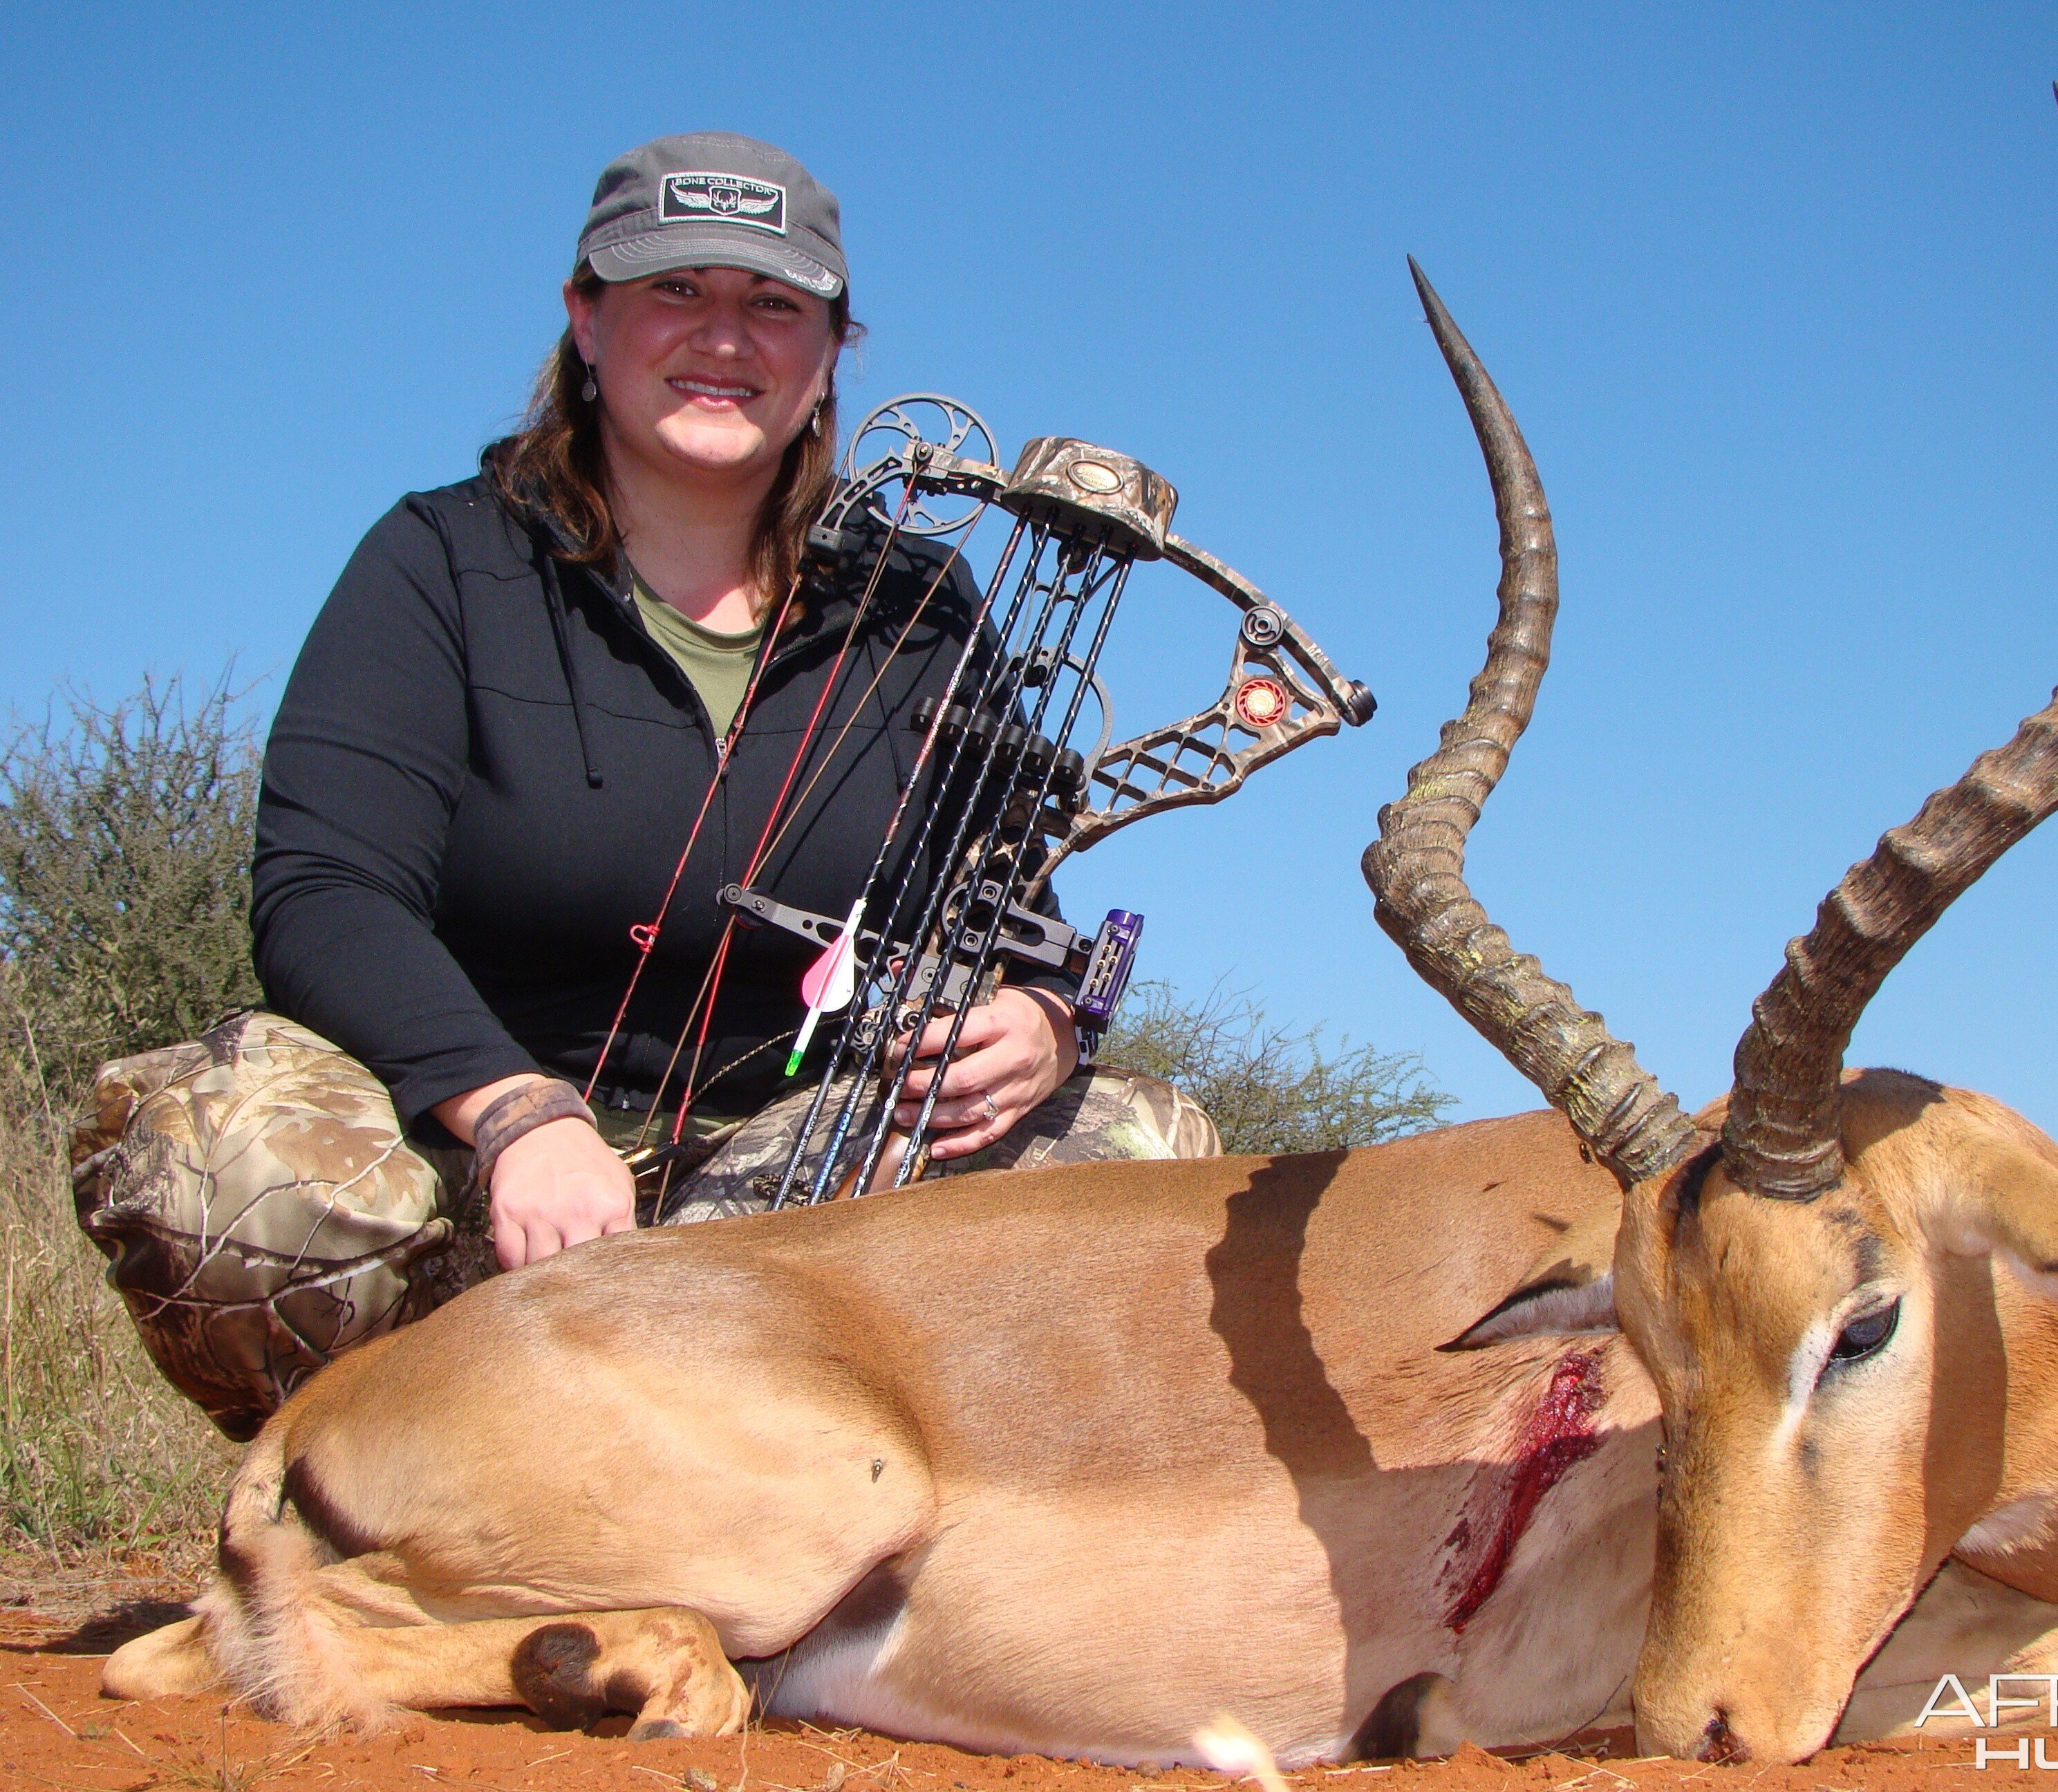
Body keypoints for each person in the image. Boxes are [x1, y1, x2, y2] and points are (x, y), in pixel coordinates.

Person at [73, 133, 1217, 1441]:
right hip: (482, 1165)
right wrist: (514, 1113)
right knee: (234, 1163)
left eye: (774, 305)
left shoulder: (923, 604)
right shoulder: (440, 556)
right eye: (677, 289)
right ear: (585, 318)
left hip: (798, 1171)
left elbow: (1011, 899)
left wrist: (1042, 1023)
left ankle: (838, 1566)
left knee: (1145, 1147)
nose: (725, 340)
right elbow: (325, 891)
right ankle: (348, 1499)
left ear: (834, 348)